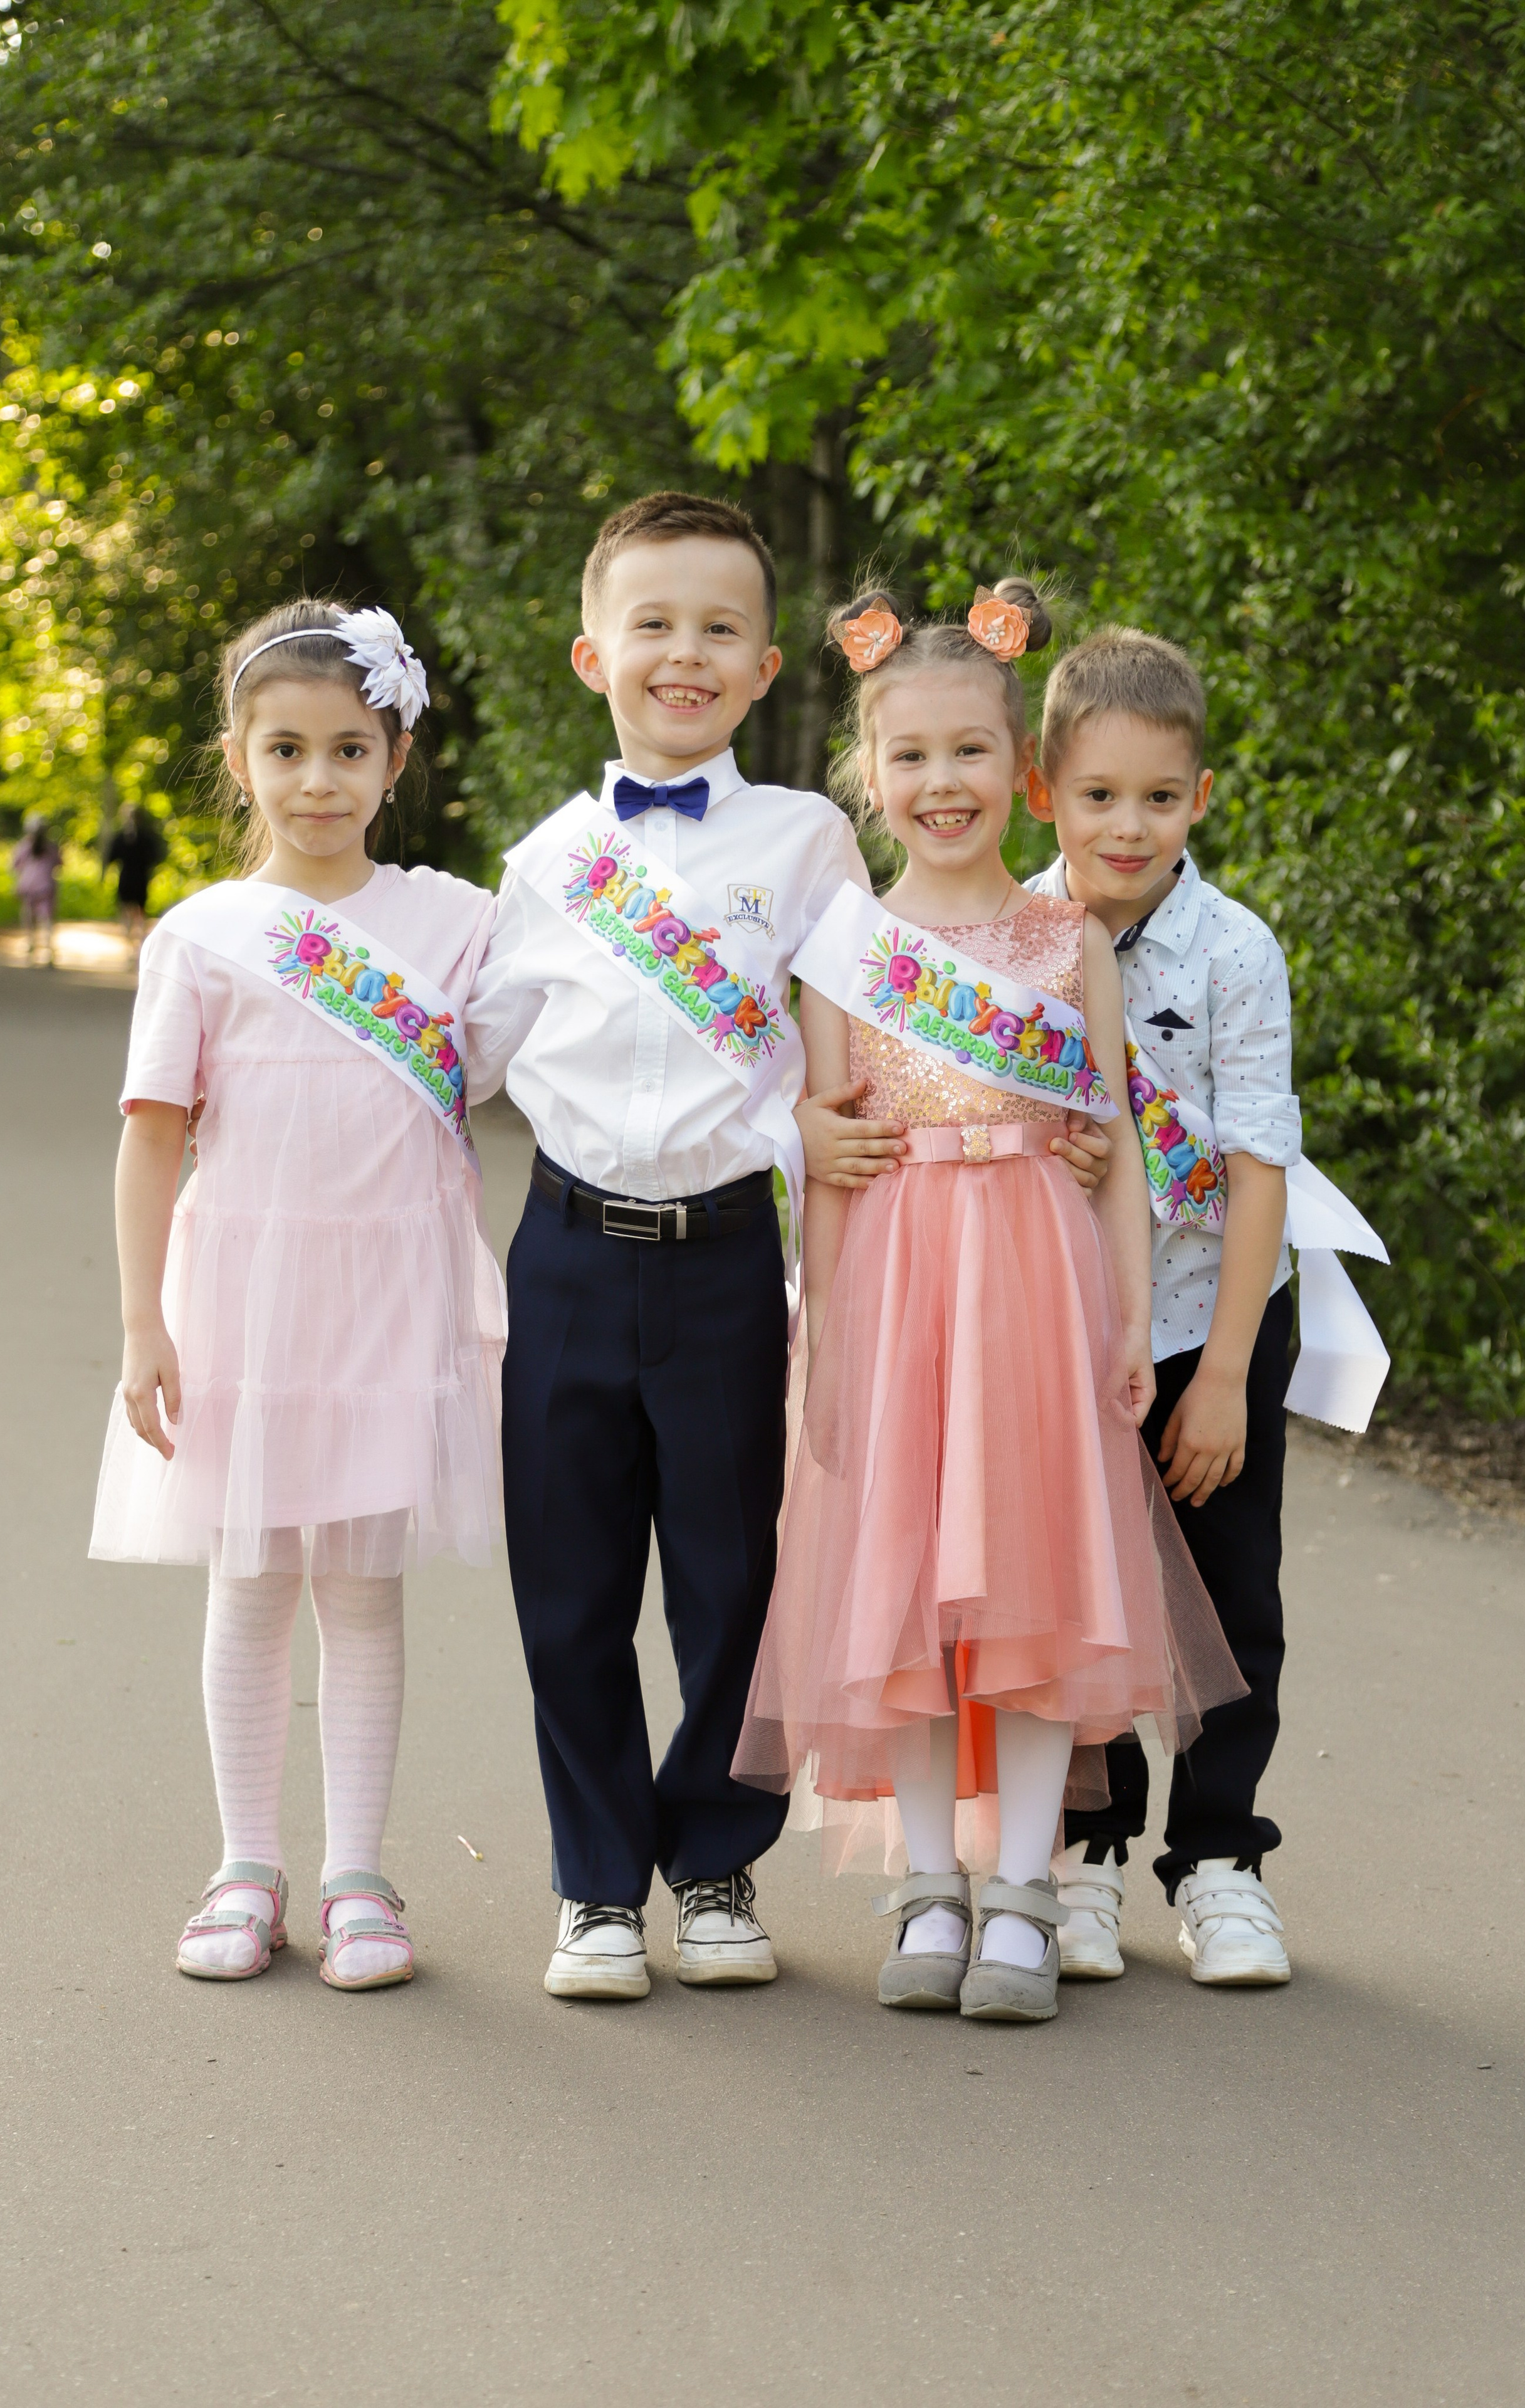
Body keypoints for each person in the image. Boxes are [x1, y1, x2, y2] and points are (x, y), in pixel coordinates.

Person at [731, 584, 1244, 2022]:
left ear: (1015, 767)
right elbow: (825, 1164)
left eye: (967, 753)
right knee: (898, 1581)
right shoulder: (841, 947)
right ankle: (922, 1881)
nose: (938, 783)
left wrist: (1132, 1319)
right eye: (908, 757)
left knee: (1026, 1583)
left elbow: (1117, 1147)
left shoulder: (1060, 936)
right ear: (868, 772)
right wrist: (817, 1340)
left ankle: (1020, 1883)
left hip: (1032, 1283)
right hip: (894, 1287)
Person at [464, 490, 894, 2003]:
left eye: (718, 627)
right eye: (653, 623)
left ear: (767, 667)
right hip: (567, 1259)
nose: (684, 652)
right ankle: (595, 1885)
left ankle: (712, 1858)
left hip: (726, 1261)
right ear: (592, 653)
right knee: (569, 1585)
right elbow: (459, 1065)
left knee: (730, 1580)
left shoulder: (808, 841)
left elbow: (864, 1048)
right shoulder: (543, 861)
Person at [90, 599, 506, 1992]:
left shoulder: (455, 925)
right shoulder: (204, 934)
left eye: (348, 749)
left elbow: (553, 1062)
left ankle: (359, 1877)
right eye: (286, 749)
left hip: (391, 1294)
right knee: (254, 1582)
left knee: (365, 1591)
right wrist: (144, 1321)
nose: (318, 779)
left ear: (397, 760)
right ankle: (245, 1864)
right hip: (246, 1297)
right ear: (239, 756)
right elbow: (153, 1134)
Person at [1024, 626, 1301, 1985]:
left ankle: (1218, 1862)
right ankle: (1082, 1854)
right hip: (1053, 1325)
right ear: (1042, 792)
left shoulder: (1234, 951)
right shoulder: (1005, 937)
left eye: (1156, 795)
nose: (1124, 824)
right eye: (1096, 795)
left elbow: (1260, 1168)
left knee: (1225, 1600)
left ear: (1200, 796)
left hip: (1207, 1318)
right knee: (1071, 1601)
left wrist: (1226, 1374)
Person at [103, 803, 166, 956]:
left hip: (137, 879)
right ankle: (132, 946)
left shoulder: (138, 837)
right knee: (130, 913)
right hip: (132, 879)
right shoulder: (130, 837)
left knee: (136, 913)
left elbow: (111, 858)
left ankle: (135, 946)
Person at [13, 813, 61, 965]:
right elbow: (59, 864)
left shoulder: (23, 847)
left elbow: (15, 866)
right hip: (46, 886)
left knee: (29, 917)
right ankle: (49, 951)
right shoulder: (51, 847)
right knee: (46, 919)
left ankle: (31, 946)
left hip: (28, 886)